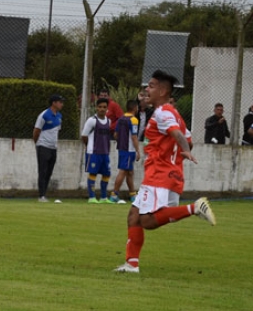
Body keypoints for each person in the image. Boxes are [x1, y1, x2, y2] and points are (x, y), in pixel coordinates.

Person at [114, 70, 216, 274]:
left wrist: (183, 151)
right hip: (171, 173)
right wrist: (182, 151)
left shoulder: (162, 113)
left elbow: (178, 135)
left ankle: (195, 208)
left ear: (162, 90)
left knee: (147, 220)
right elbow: (187, 139)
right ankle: (131, 264)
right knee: (134, 216)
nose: (146, 90)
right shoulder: (175, 114)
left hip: (159, 174)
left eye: (151, 86)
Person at [81, 97, 114, 203]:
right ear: (96, 108)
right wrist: (88, 147)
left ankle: (104, 197)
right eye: (100, 107)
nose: (102, 109)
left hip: (105, 153)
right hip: (93, 152)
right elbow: (84, 135)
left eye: (104, 107)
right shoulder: (92, 121)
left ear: (107, 109)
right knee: (93, 173)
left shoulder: (108, 121)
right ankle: (92, 197)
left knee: (106, 174)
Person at [33, 94, 64, 202]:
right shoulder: (44, 115)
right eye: (60, 102)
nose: (62, 104)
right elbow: (36, 131)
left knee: (49, 172)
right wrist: (38, 144)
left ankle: (44, 194)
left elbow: (56, 131)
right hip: (43, 146)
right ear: (54, 103)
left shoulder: (59, 116)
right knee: (43, 171)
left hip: (53, 148)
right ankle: (41, 196)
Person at [110, 99, 142, 204]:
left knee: (129, 172)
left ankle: (133, 194)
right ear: (134, 108)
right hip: (129, 149)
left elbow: (115, 135)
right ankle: (114, 194)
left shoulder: (121, 119)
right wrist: (138, 150)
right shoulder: (133, 120)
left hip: (122, 148)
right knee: (123, 171)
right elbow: (134, 136)